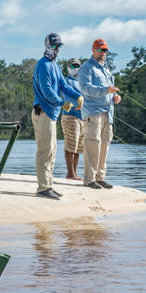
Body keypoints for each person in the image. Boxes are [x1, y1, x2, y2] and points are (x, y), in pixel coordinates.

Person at [32, 33, 83, 200]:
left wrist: (77, 96)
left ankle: (48, 185)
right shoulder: (43, 65)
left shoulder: (54, 65)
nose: (57, 49)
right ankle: (43, 188)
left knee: (52, 151)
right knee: (45, 151)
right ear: (47, 45)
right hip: (43, 111)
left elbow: (64, 85)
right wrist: (63, 103)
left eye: (59, 46)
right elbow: (47, 91)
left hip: (51, 114)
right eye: (54, 46)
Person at [78, 38, 121, 189]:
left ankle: (100, 177)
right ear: (93, 50)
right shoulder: (86, 68)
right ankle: (89, 179)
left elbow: (109, 91)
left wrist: (115, 97)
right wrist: (106, 91)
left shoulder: (107, 69)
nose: (104, 53)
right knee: (92, 144)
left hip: (108, 112)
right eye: (101, 50)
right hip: (93, 112)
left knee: (105, 144)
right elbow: (86, 89)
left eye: (105, 50)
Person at [60, 58, 84, 180]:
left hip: (82, 118)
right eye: (73, 66)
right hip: (70, 116)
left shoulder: (82, 82)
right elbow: (69, 94)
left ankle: (74, 173)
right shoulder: (66, 81)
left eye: (77, 65)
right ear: (68, 67)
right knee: (70, 144)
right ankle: (70, 174)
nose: (75, 68)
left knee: (78, 147)